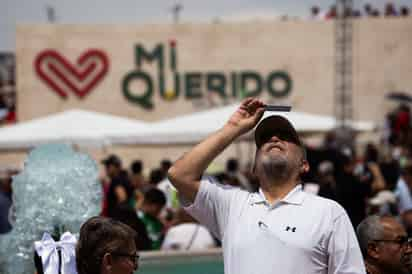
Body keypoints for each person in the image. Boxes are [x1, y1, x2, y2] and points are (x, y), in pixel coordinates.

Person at [168, 98, 366, 274]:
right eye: (264, 140)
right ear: (253, 167)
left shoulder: (329, 213)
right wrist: (233, 127)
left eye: (286, 137)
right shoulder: (233, 206)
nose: (274, 139)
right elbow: (179, 174)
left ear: (304, 165)